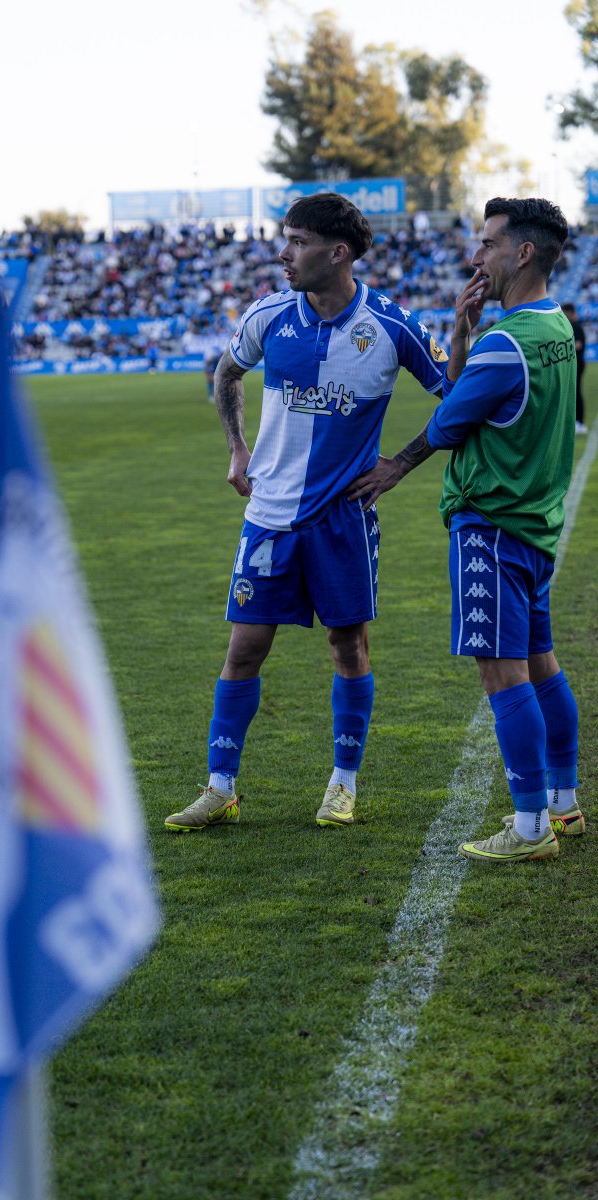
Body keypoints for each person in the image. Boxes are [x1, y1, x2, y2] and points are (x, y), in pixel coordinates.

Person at [164, 192, 448, 832]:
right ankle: (219, 786)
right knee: (243, 650)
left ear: (336, 252)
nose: (283, 254)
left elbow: (453, 400)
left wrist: (400, 462)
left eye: (296, 242)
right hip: (267, 516)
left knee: (348, 645)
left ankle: (342, 784)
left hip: (342, 519)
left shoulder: (393, 326)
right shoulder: (269, 315)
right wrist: (238, 448)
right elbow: (227, 373)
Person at [348, 197, 582, 863]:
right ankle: (563, 805)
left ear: (523, 252)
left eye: (487, 244)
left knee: (501, 672)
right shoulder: (555, 328)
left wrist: (395, 466)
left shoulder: (507, 346)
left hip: (493, 526)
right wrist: (460, 332)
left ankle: (531, 827)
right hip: (533, 526)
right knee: (540, 663)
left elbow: (448, 419)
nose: (476, 257)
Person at [561, 301, 588, 432]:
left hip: (578, 364)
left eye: (564, 312)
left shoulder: (576, 326)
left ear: (570, 313)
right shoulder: (573, 325)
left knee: (576, 392)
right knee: (573, 392)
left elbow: (579, 345)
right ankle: (576, 421)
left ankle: (580, 422)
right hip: (576, 363)